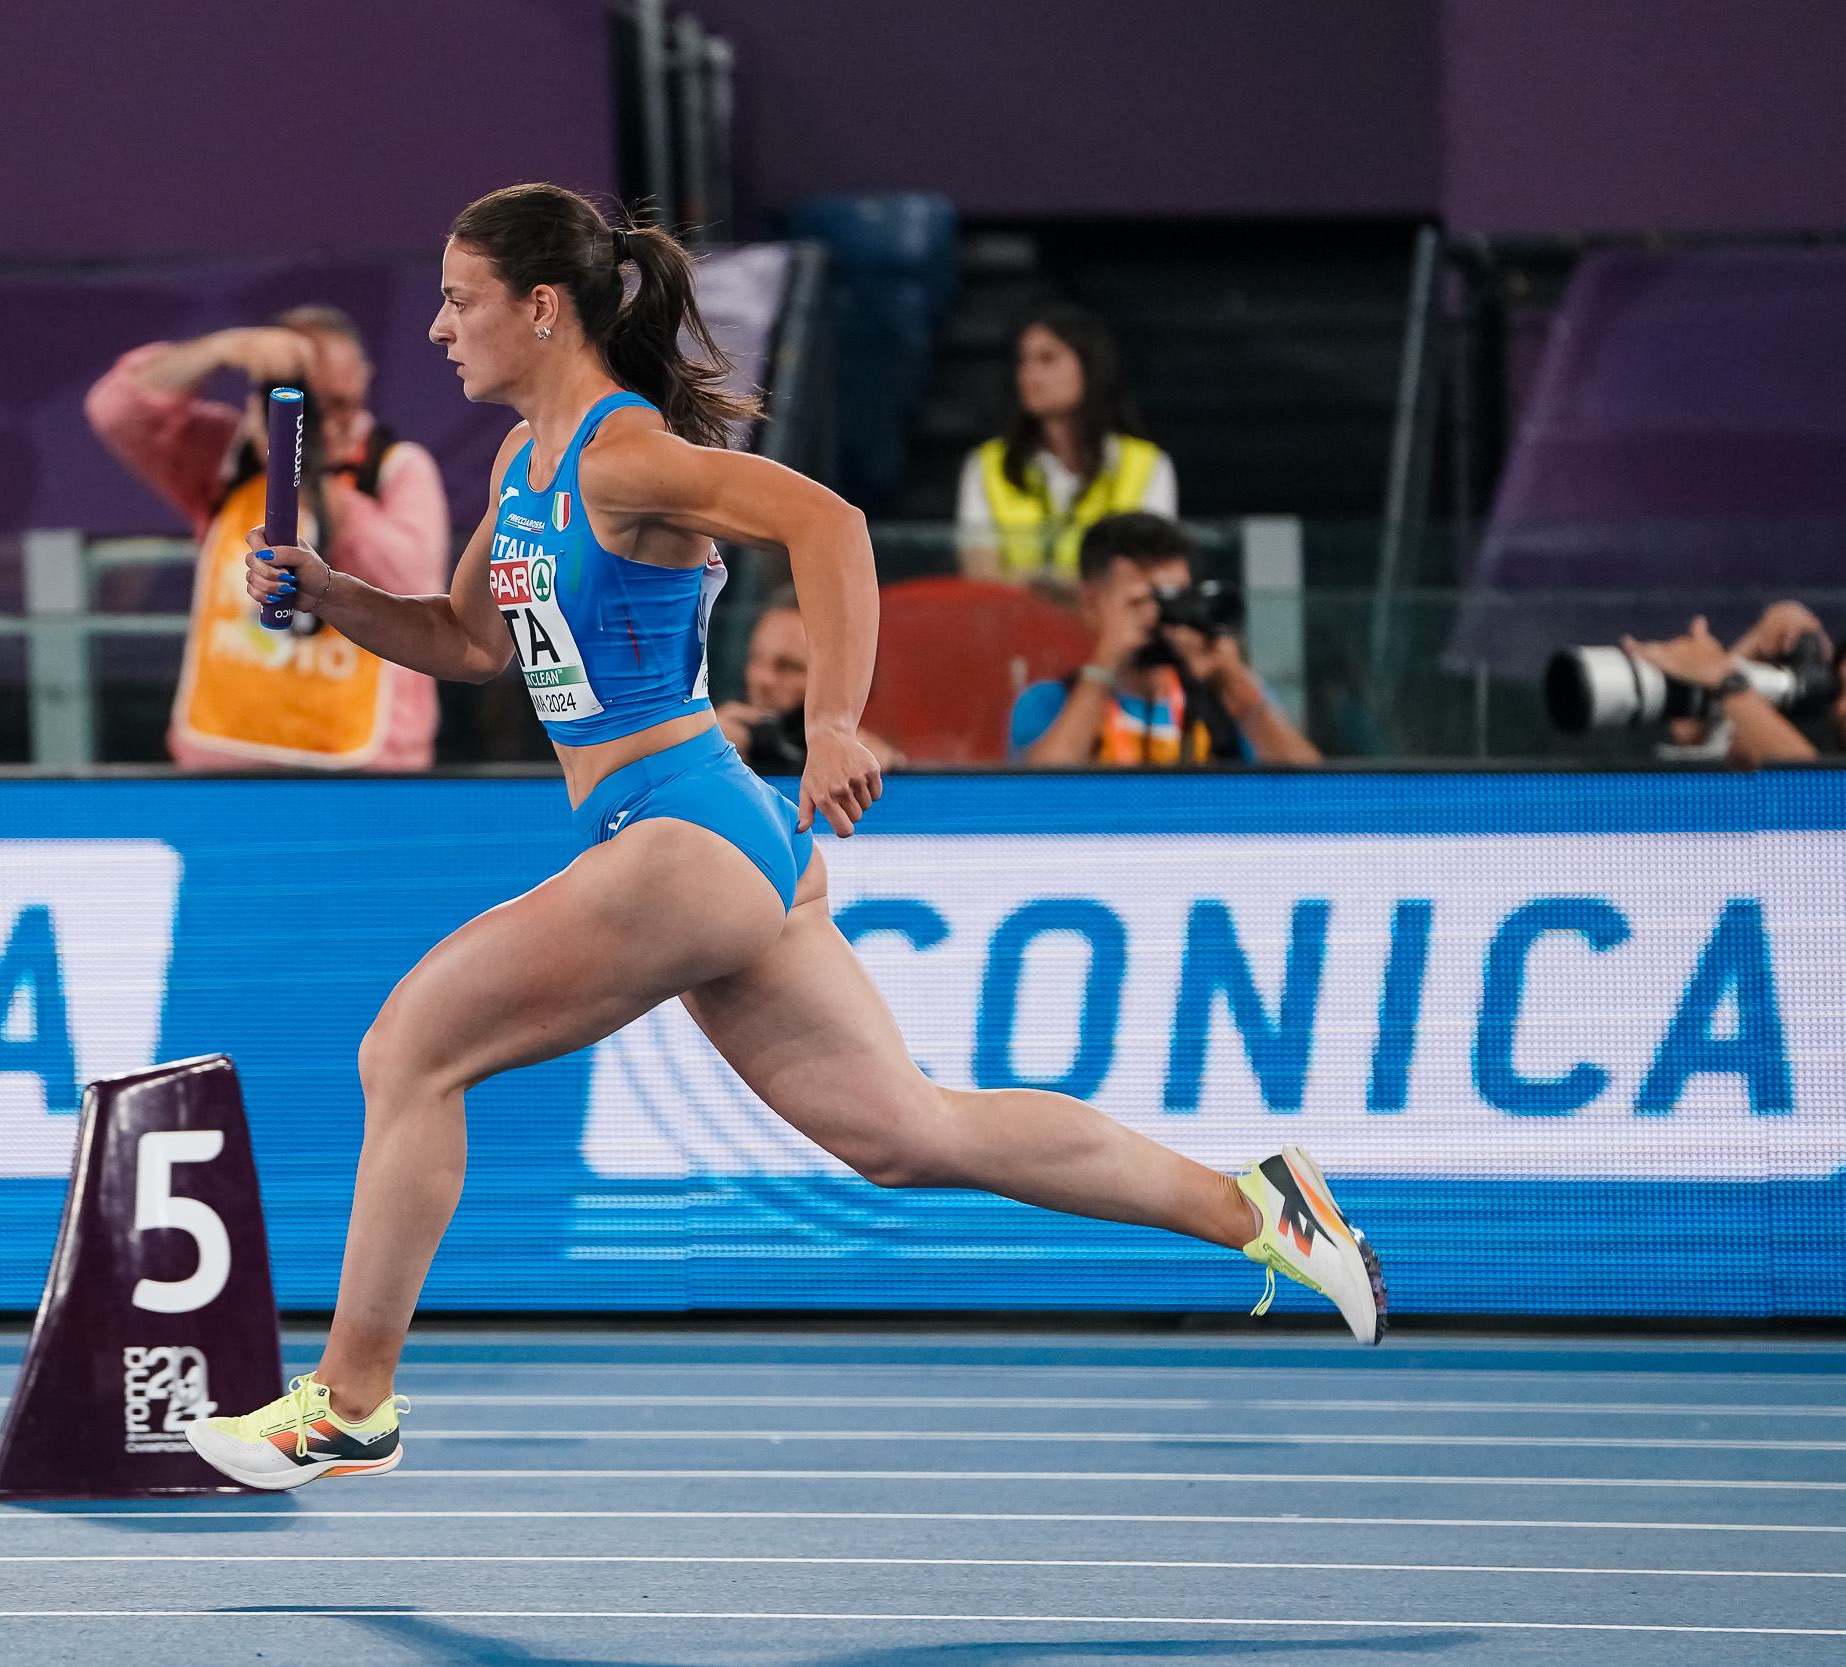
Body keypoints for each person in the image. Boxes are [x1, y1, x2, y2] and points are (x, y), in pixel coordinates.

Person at [182, 185, 1385, 1494]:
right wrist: (336, 593)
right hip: (710, 840)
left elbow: (831, 524)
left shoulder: (621, 456)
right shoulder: (523, 466)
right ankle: (1254, 1203)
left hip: (684, 829)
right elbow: (469, 642)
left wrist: (833, 724)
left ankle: (352, 1400)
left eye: (458, 300)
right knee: (908, 1133)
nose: (435, 327)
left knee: (409, 1049)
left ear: (542, 308)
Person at [86, 306, 450, 771]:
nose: (329, 423)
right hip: (222, 760)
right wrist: (224, 349)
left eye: (343, 404)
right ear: (266, 396)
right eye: (313, 408)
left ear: (364, 377)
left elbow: (413, 587)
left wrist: (300, 473)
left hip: (361, 769)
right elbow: (116, 410)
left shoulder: (395, 468)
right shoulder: (227, 456)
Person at [1013, 513, 1319, 765]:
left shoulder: (1230, 696)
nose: (1158, 616)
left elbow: (1314, 794)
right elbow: (1036, 799)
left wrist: (1237, 687)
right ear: (1092, 603)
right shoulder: (1050, 702)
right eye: (1140, 601)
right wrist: (1103, 667)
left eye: (1176, 598)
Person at [957, 302, 1176, 585]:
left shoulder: (1147, 465)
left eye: (1047, 359)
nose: (1028, 375)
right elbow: (981, 577)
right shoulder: (987, 465)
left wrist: (1039, 585)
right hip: (1017, 615)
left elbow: (1148, 575)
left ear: (1090, 366)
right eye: (1023, 361)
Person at [714, 584, 902, 772]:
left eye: (789, 667)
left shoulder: (871, 766)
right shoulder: (718, 748)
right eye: (756, 658)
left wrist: (887, 773)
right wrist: (705, 748)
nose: (761, 679)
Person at [1628, 603, 1836, 765]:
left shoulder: (1822, 792)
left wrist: (1724, 677)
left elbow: (1810, 790)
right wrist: (1757, 642)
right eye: (1841, 692)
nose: (1842, 708)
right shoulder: (1825, 738)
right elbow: (1690, 733)